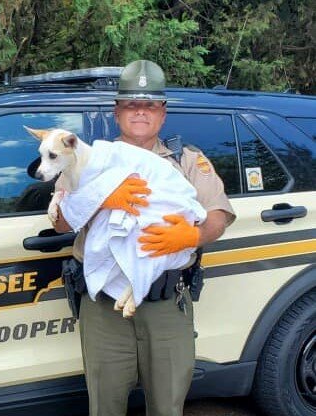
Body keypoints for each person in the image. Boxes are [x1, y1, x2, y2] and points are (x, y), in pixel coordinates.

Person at [54, 60, 236, 416]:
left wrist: (192, 235)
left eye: (150, 105)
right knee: (104, 406)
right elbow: (61, 224)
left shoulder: (186, 160)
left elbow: (218, 215)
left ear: (163, 114)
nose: (141, 112)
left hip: (166, 305)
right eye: (131, 105)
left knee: (168, 406)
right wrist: (99, 199)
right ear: (117, 112)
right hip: (104, 308)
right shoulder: (86, 161)